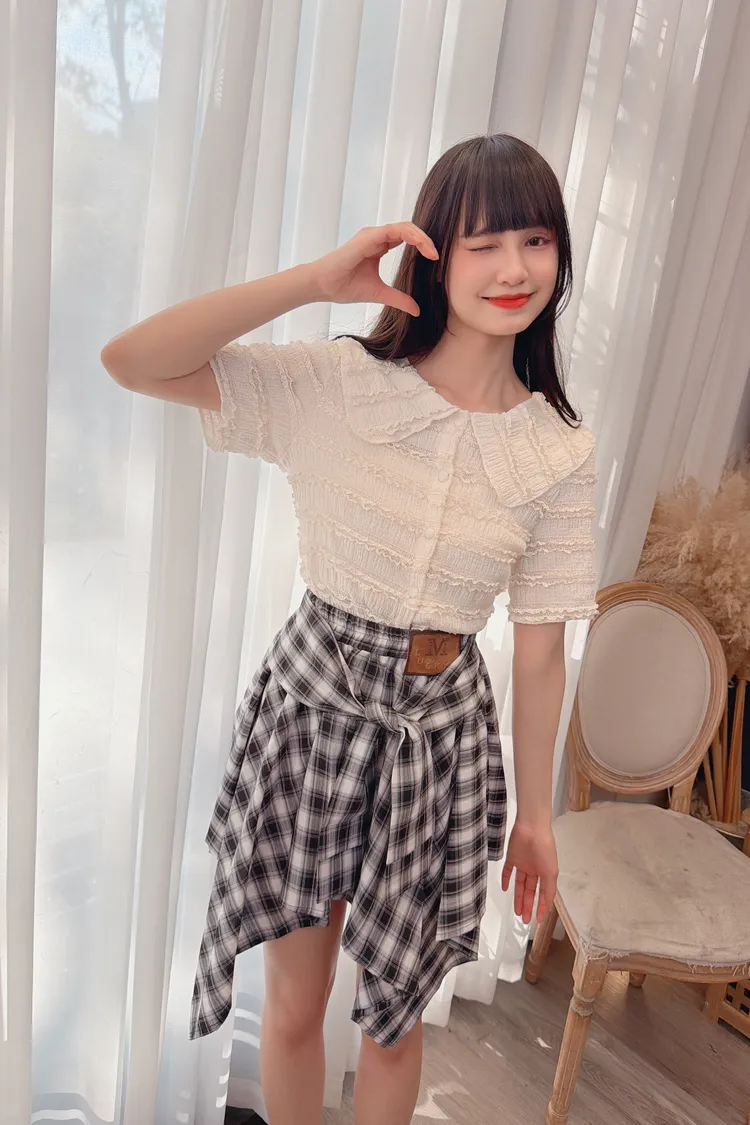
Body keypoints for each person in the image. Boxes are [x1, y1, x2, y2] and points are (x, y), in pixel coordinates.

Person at [101, 132, 599, 1125]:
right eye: (484, 243)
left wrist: (536, 814)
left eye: (536, 240)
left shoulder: (558, 452)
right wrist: (313, 282)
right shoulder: (338, 386)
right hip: (313, 718)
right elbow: (134, 361)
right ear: (435, 259)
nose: (514, 269)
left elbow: (541, 652)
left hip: (440, 744)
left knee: (394, 1023)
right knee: (294, 1006)